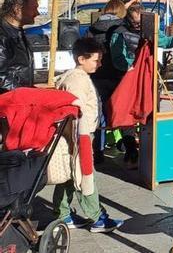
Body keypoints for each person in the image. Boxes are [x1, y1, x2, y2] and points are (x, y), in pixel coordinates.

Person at [53, 38, 124, 233]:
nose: (99, 64)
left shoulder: (75, 77)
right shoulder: (77, 80)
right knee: (84, 176)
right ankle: (96, 217)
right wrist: (82, 141)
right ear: (81, 59)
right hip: (80, 136)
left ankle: (63, 213)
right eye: (96, 60)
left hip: (77, 135)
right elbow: (78, 113)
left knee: (69, 175)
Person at [109, 3, 173, 167]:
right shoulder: (119, 33)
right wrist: (132, 66)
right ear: (128, 19)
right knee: (127, 113)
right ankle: (131, 149)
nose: (137, 25)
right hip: (127, 78)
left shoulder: (149, 30)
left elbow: (165, 41)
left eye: (139, 22)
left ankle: (149, 150)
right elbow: (118, 57)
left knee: (149, 111)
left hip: (148, 78)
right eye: (134, 22)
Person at [85, 0, 126, 163]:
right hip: (118, 75)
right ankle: (127, 147)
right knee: (122, 110)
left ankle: (98, 151)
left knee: (98, 113)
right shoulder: (122, 28)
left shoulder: (92, 29)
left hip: (97, 75)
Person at [0, 0, 38, 93]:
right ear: (18, 9)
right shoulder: (2, 35)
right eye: (34, 8)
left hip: (18, 99)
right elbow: (1, 77)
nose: (37, 13)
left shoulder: (18, 32)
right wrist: (24, 93)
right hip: (6, 101)